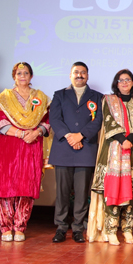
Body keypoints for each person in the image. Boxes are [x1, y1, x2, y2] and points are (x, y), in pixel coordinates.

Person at [0, 62, 51, 242]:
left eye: (25, 73)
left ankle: (20, 227)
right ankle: (6, 227)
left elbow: (47, 122)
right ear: (14, 76)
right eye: (19, 73)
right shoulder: (4, 97)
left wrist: (36, 133)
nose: (22, 76)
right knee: (6, 186)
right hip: (9, 144)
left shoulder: (41, 97)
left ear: (31, 76)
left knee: (27, 186)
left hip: (32, 144)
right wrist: (21, 133)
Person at [89, 69, 133, 246]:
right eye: (121, 80)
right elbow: (108, 122)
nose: (124, 83)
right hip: (113, 150)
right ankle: (111, 230)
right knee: (112, 190)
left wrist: (130, 141)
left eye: (127, 79)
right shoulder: (108, 100)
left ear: (132, 82)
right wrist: (123, 140)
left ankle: (128, 229)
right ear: (116, 83)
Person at [48, 62, 103, 243]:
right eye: (76, 72)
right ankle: (61, 227)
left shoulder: (97, 97)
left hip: (86, 149)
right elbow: (55, 119)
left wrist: (81, 136)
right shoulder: (59, 95)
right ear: (70, 75)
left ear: (88, 75)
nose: (79, 75)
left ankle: (78, 228)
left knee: (81, 193)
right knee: (62, 192)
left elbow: (98, 121)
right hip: (63, 149)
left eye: (83, 72)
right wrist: (70, 136)